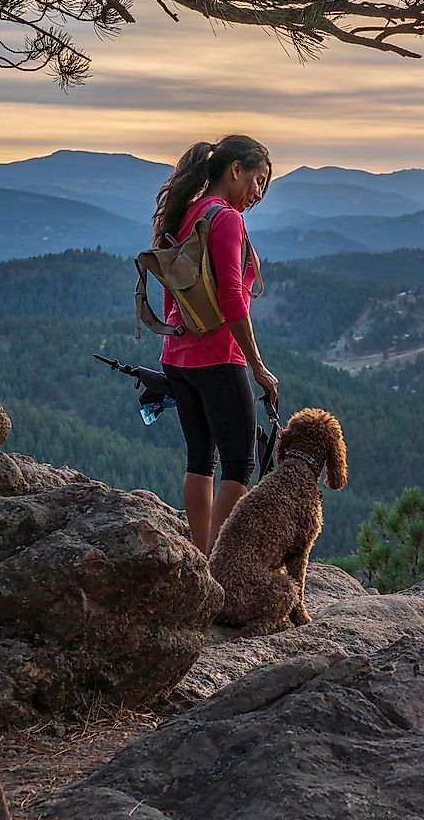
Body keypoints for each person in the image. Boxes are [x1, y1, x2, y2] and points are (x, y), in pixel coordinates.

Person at [152, 135, 278, 555]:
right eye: (258, 180)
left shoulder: (187, 213)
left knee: (200, 458)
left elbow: (173, 289)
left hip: (178, 355)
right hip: (218, 356)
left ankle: (202, 559)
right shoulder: (225, 218)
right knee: (239, 464)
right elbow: (231, 299)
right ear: (235, 170)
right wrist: (257, 366)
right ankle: (219, 566)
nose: (258, 193)